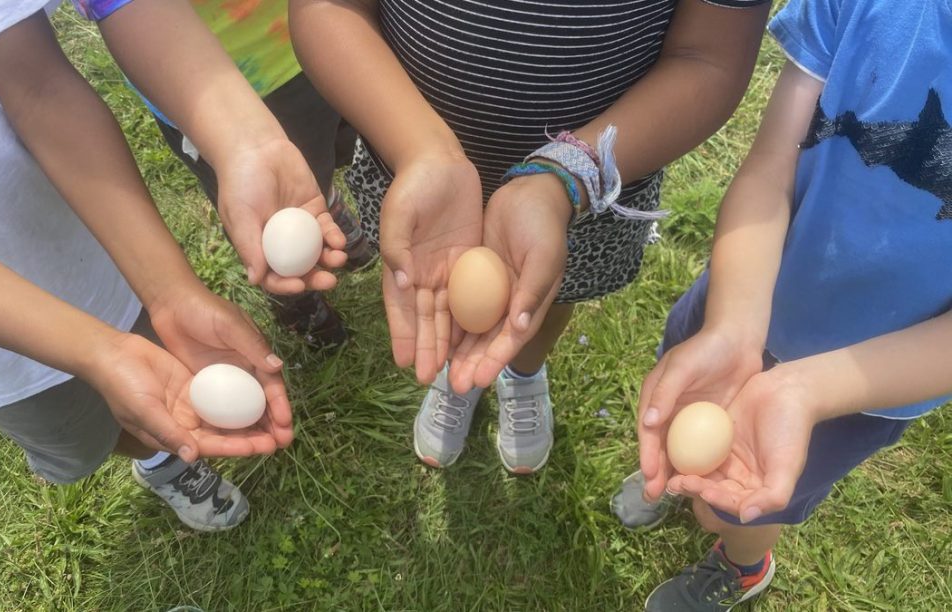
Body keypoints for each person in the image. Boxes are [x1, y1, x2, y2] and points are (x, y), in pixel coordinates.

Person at [291, 0, 770, 473]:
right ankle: (460, 374)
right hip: (414, 168)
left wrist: (567, 176)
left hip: (587, 189)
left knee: (547, 292)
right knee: (445, 289)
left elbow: (709, 58)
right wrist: (421, 150)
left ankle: (523, 371)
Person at [0, 0, 338, 531]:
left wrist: (170, 290)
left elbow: (40, 88)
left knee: (155, 373)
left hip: (102, 248)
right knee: (78, 436)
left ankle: (161, 451)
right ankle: (159, 457)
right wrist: (95, 351)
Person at [609, 0, 952, 608]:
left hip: (867, 385)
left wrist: (806, 390)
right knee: (686, 417)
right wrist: (732, 325)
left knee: (744, 508)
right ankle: (681, 476)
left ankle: (743, 562)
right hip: (749, 295)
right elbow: (771, 165)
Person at [76, 0, 374, 351]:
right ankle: (297, 303)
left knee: (319, 158)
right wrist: (240, 145)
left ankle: (325, 201)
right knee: (261, 206)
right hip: (194, 86)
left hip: (317, 33)